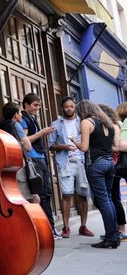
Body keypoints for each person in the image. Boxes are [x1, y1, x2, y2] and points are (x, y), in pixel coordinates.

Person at [71, 100, 120, 248]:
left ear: (83, 111)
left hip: (96, 164)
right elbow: (115, 147)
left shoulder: (87, 122)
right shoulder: (109, 124)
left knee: (103, 201)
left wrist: (74, 141)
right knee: (108, 199)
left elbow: (84, 148)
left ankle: (111, 237)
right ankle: (114, 234)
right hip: (109, 163)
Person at [48, 97, 93, 238]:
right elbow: (50, 145)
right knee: (66, 194)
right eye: (66, 106)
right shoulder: (56, 124)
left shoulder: (83, 123)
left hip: (80, 161)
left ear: (75, 107)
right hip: (65, 163)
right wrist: (63, 146)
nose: (69, 108)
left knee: (83, 195)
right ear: (62, 108)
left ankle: (83, 226)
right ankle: (66, 227)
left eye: (71, 106)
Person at [20, 93, 59, 238]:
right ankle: (47, 227)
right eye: (35, 105)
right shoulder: (24, 119)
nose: (38, 108)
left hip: (39, 157)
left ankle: (49, 227)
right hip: (34, 158)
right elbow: (25, 140)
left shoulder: (30, 118)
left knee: (46, 193)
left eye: (39, 105)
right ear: (26, 105)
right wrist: (42, 132)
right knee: (41, 194)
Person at [0, 102, 39, 203]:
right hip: (19, 166)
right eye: (20, 112)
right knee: (31, 199)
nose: (21, 115)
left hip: (5, 167)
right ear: (15, 115)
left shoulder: (0, 126)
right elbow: (28, 147)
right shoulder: (16, 125)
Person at [99, 103, 127, 240]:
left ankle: (120, 229)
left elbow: (118, 146)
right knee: (114, 198)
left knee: (114, 198)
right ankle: (119, 229)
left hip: (116, 164)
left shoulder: (116, 126)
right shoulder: (120, 125)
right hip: (116, 164)